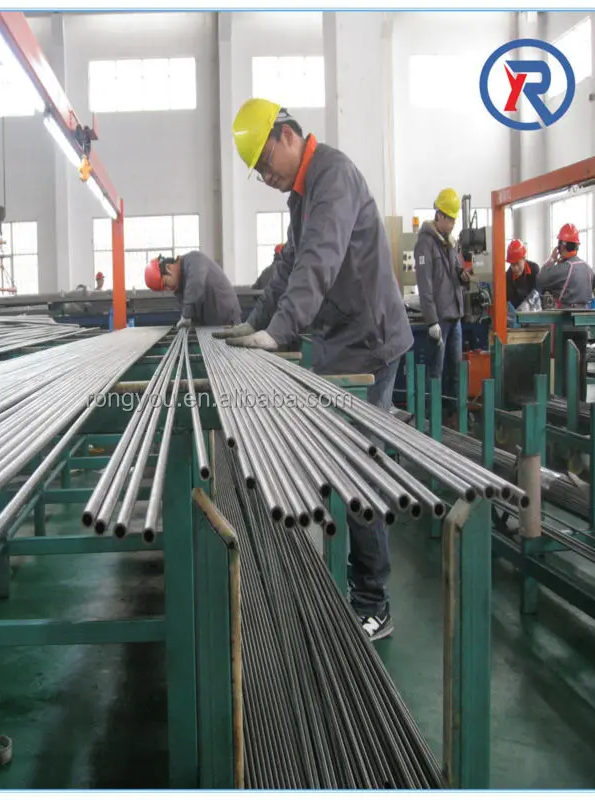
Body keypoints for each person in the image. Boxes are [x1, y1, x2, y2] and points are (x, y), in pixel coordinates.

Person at [216, 98, 413, 641]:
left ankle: (373, 601)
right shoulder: (302, 195)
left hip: (371, 346)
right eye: (257, 171)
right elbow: (288, 265)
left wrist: (278, 332)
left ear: (286, 135)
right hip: (338, 345)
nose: (264, 177)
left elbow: (318, 261)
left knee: (358, 471)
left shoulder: (333, 177)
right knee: (330, 461)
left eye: (264, 163)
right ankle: (333, 580)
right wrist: (252, 323)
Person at [414, 189, 470, 422]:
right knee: (435, 372)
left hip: (455, 316)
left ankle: (455, 416)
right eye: (451, 219)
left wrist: (463, 276)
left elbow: (454, 273)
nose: (454, 224)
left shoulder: (450, 243)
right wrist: (431, 321)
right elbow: (424, 285)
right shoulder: (425, 244)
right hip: (439, 319)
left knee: (455, 371)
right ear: (440, 216)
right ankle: (431, 419)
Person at [144, 250, 241, 328]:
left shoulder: (194, 259)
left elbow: (196, 283)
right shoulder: (180, 288)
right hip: (210, 327)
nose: (168, 289)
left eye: (166, 284)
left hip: (228, 322)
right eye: (164, 289)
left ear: (168, 267)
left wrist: (186, 316)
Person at [537, 224, 595, 307]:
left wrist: (551, 259)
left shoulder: (564, 268)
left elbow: (540, 279)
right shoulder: (587, 267)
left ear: (562, 246)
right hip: (586, 312)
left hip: (567, 313)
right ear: (576, 246)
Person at [505, 239, 539, 308]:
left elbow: (538, 292)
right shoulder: (508, 278)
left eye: (517, 263)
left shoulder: (534, 269)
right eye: (512, 264)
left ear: (524, 258)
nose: (515, 268)